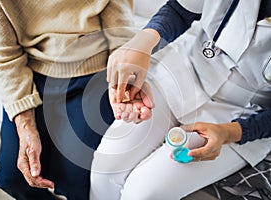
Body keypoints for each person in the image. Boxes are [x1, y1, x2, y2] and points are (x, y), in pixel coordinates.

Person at [90, 0, 271, 199]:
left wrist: (231, 132)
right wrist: (142, 42)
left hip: (243, 113)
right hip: (185, 73)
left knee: (143, 192)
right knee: (104, 172)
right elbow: (180, 9)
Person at [0, 0, 134, 199]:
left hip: (94, 71)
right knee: (11, 176)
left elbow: (120, 32)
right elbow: (4, 52)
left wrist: (121, 80)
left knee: (78, 179)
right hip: (32, 76)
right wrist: (25, 125)